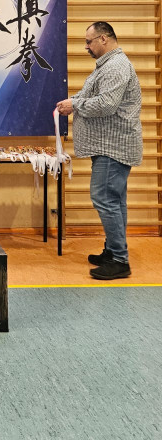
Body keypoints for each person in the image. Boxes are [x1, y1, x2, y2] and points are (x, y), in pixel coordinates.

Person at [56, 21, 142, 280]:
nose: (86, 47)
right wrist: (74, 101)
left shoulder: (115, 67)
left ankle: (119, 260)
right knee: (115, 201)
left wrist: (75, 105)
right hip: (110, 145)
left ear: (104, 39)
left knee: (104, 198)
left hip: (113, 147)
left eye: (89, 41)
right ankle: (114, 251)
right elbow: (94, 96)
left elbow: (106, 104)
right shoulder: (108, 65)